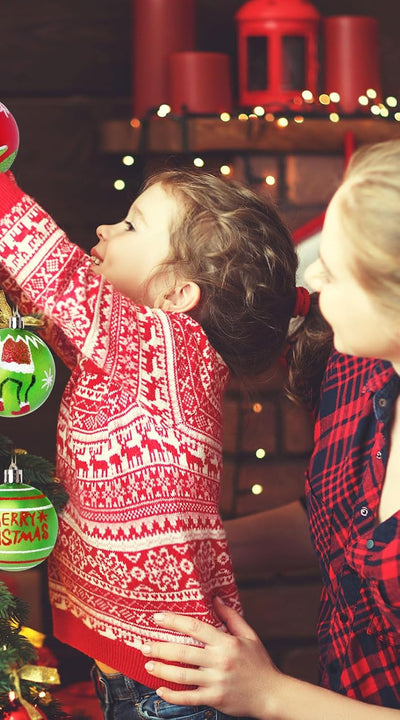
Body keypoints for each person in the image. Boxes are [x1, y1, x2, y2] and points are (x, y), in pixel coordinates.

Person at [0, 56, 300, 720]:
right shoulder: (124, 350)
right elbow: (33, 273)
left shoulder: (166, 348)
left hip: (170, 688)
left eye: (132, 226)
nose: (104, 231)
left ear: (178, 294)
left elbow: (52, 268)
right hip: (133, 668)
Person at [141, 139, 400, 719]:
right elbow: (335, 526)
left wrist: (271, 695)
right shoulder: (356, 369)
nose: (315, 276)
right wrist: (184, 555)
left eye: (339, 267)